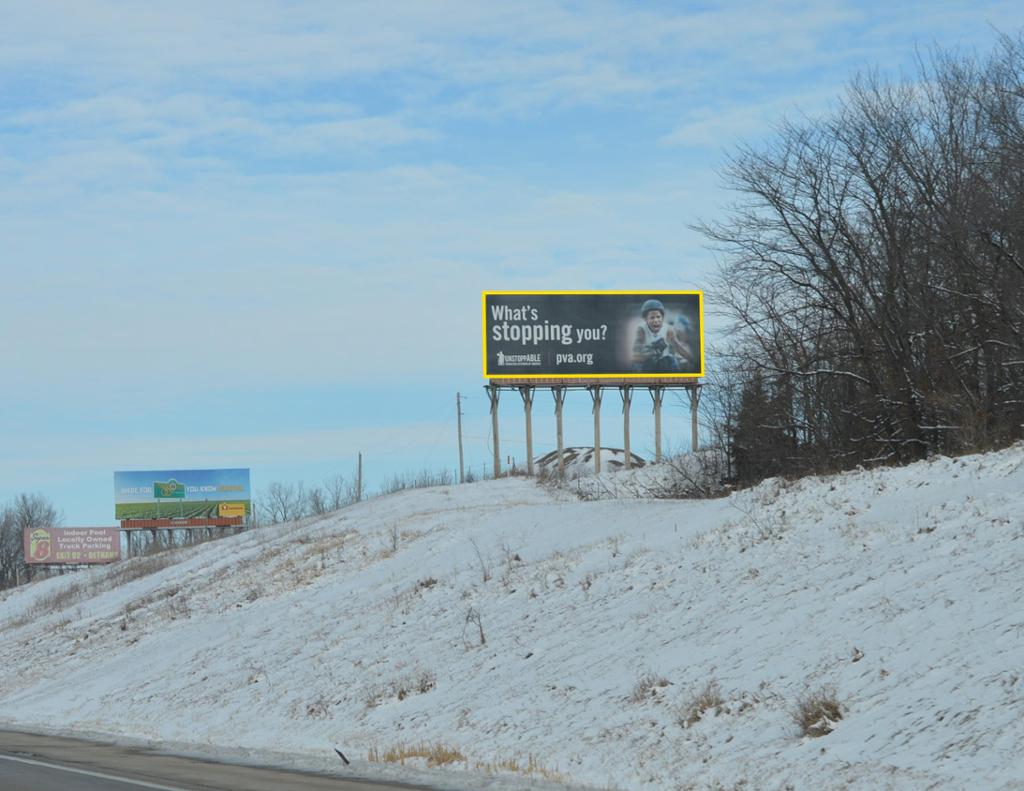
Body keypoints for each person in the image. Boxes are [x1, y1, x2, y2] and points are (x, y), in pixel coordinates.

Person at [631, 299, 693, 373]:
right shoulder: (641, 330)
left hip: (665, 363)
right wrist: (652, 353)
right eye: (652, 318)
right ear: (645, 319)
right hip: (648, 363)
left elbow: (678, 347)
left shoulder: (668, 329)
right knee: (637, 366)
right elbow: (635, 357)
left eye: (658, 317)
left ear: (662, 317)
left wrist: (691, 359)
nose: (656, 320)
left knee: (671, 360)